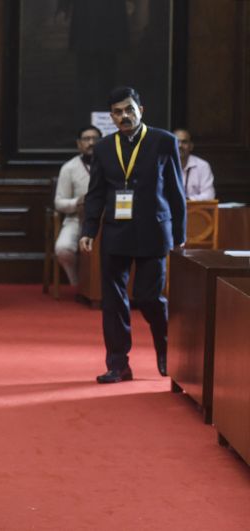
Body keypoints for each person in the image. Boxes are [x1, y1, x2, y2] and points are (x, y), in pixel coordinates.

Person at [79, 86, 186, 384]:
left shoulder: (163, 141)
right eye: (117, 112)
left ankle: (166, 350)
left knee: (148, 297)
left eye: (129, 109)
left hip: (153, 230)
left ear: (141, 109)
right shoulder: (102, 148)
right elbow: (96, 193)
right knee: (112, 302)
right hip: (115, 232)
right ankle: (118, 365)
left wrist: (180, 233)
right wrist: (89, 229)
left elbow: (176, 190)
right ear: (111, 117)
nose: (124, 116)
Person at [54, 126, 102, 286]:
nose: (91, 143)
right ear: (79, 144)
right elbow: (59, 202)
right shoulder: (69, 168)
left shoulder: (112, 164)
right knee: (63, 249)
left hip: (106, 219)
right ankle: (78, 283)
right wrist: (77, 202)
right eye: (86, 139)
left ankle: (102, 287)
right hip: (76, 219)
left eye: (95, 139)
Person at [173, 129, 216, 201]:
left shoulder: (202, 166)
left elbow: (209, 195)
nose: (180, 145)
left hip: (196, 210)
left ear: (191, 146)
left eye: (184, 142)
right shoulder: (162, 165)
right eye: (176, 142)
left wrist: (188, 200)